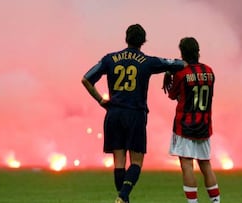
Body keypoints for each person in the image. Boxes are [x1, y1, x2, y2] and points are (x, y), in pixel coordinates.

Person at [81, 24, 185, 203]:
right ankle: (122, 197)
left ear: (126, 38)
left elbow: (86, 79)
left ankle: (123, 199)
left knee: (119, 162)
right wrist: (169, 70)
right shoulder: (148, 61)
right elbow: (178, 64)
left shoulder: (110, 59)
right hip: (135, 115)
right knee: (136, 162)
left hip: (114, 114)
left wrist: (100, 100)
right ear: (143, 41)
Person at [163, 37, 220, 203]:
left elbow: (172, 95)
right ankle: (216, 201)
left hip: (184, 125)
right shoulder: (209, 71)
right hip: (204, 124)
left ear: (182, 53)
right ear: (198, 52)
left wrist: (171, 75)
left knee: (187, 165)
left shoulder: (181, 73)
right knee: (205, 165)